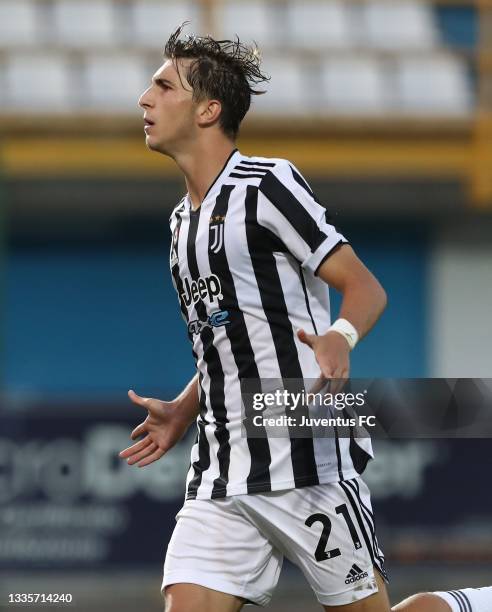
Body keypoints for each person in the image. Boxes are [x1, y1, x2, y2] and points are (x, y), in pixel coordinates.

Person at [119, 24, 492, 612]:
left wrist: (341, 337)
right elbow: (226, 334)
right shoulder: (179, 224)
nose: (145, 98)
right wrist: (184, 408)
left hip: (303, 454)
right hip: (220, 472)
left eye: (164, 86)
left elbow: (365, 288)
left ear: (209, 110)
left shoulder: (268, 185)